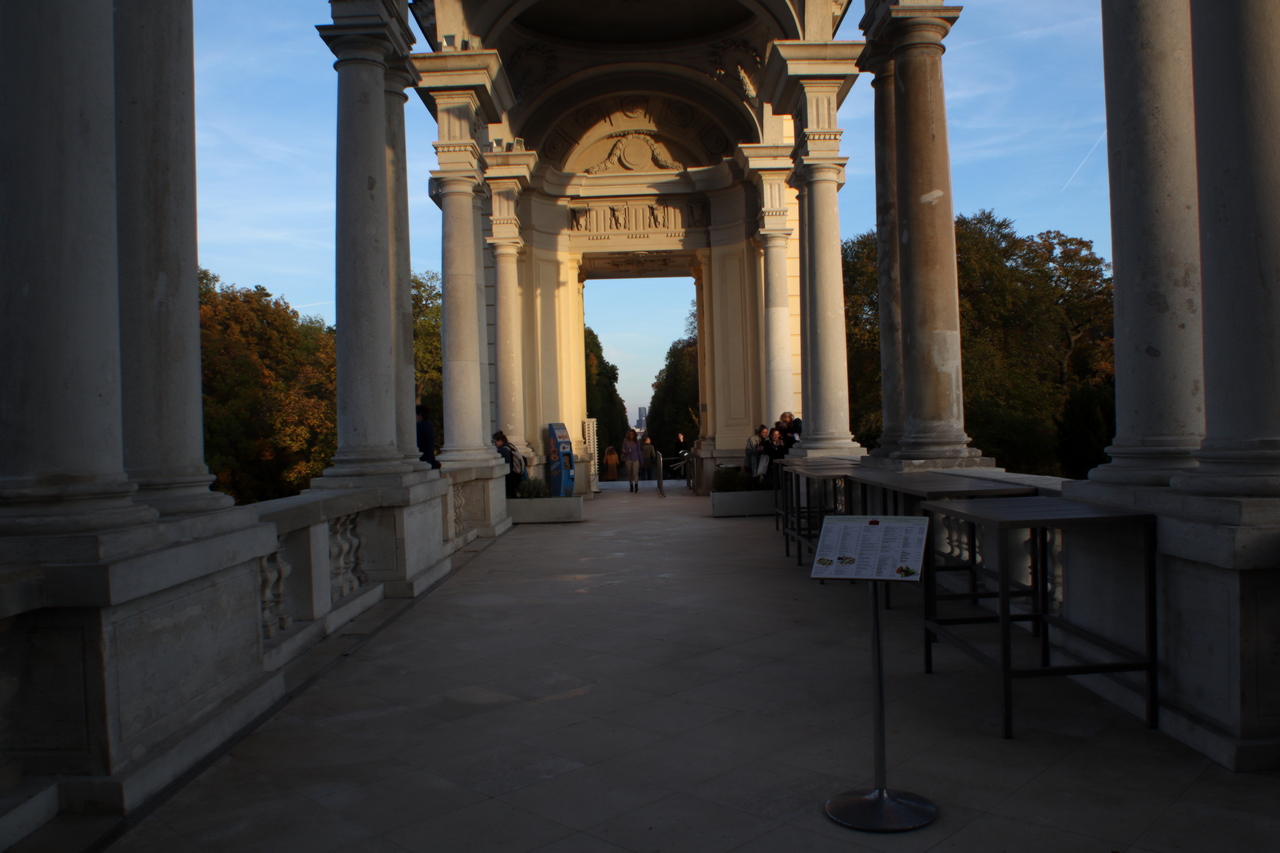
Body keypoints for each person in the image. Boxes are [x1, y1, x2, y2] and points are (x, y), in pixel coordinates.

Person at [492, 431, 523, 498]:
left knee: (510, 494)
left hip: (510, 475)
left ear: (500, 441)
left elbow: (506, 463)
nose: (495, 444)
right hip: (515, 473)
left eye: (495, 442)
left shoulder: (503, 450)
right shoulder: (510, 445)